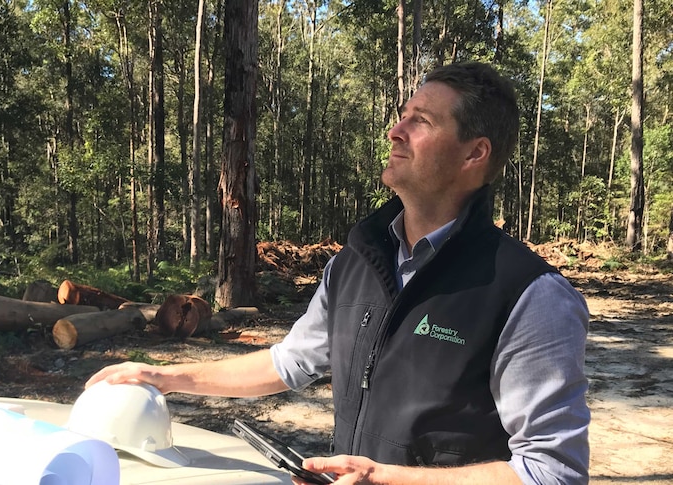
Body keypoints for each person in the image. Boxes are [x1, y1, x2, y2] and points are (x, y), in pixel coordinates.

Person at [86, 61, 590, 484]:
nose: (396, 131)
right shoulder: (354, 263)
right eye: (402, 116)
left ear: (474, 153)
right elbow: (289, 364)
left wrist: (393, 478)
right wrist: (167, 377)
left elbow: (550, 469)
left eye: (422, 121)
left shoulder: (528, 293)